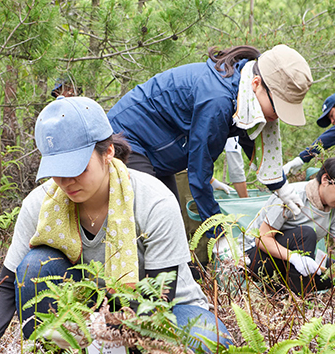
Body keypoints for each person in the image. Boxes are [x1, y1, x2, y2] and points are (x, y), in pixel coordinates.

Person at [0, 96, 233, 354]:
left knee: (209, 344)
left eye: (77, 168)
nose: (66, 181)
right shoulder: (41, 204)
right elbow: (5, 286)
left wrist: (99, 331)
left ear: (108, 152)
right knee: (35, 265)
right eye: (56, 170)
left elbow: (158, 300)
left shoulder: (153, 201)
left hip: (163, 314)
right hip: (84, 320)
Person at [107, 44, 314, 236]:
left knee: (171, 224)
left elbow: (249, 137)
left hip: (159, 151)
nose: (277, 116)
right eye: (278, 107)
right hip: (128, 139)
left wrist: (281, 186)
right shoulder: (218, 100)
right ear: (257, 84)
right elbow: (199, 172)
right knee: (152, 224)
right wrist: (218, 235)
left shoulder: (243, 93)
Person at [245, 156, 335, 295]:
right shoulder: (292, 195)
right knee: (306, 234)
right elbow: (262, 238)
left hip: (292, 260)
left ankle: (280, 290)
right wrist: (294, 258)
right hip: (255, 258)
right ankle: (297, 299)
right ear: (325, 180)